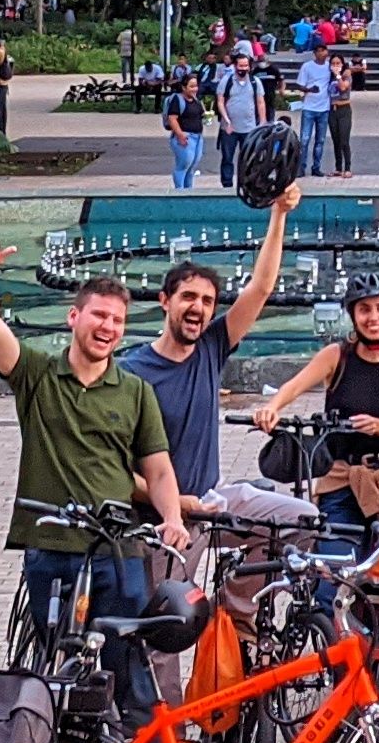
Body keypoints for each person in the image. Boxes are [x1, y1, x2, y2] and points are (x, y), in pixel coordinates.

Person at [0, 240, 190, 720]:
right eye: (99, 316)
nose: (107, 327)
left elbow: (158, 467)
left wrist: (172, 517)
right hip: (50, 543)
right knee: (53, 666)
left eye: (117, 321)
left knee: (125, 670)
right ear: (74, 318)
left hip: (116, 551)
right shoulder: (39, 376)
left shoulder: (134, 391)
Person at [117, 184, 298, 691]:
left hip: (215, 500)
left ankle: (235, 609)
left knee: (300, 522)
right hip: (162, 522)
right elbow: (115, 468)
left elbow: (260, 288)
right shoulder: (133, 373)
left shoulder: (211, 348)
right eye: (188, 298)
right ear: (164, 302)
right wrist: (174, 502)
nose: (198, 308)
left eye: (207, 300)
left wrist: (279, 215)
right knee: (165, 639)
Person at [253, 272, 379, 535]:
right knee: (332, 563)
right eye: (364, 310)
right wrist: (272, 407)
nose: (374, 318)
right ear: (353, 316)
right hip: (341, 479)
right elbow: (295, 385)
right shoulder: (336, 357)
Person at [213, 46, 263, 188]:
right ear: (235, 66)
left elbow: (260, 102)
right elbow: (220, 101)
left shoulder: (255, 82)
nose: (243, 68)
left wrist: (263, 121)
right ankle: (227, 184)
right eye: (240, 65)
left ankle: (246, 183)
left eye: (246, 66)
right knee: (227, 158)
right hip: (229, 128)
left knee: (248, 158)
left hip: (249, 127)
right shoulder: (226, 81)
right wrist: (227, 120)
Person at [295, 38, 338, 179]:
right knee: (305, 139)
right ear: (314, 53)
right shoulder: (307, 67)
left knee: (320, 140)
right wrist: (309, 89)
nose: (321, 53)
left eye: (324, 50)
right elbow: (299, 85)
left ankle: (316, 167)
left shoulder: (329, 67)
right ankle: (301, 167)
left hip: (324, 108)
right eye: (318, 51)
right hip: (309, 107)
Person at [161, 70, 206, 189]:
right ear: (184, 87)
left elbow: (200, 115)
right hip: (185, 137)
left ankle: (188, 190)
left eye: (196, 86)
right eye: (191, 86)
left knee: (191, 166)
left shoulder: (196, 100)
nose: (194, 89)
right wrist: (180, 134)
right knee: (184, 164)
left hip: (197, 136)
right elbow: (172, 119)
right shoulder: (177, 100)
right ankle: (179, 191)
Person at [324, 51, 358, 177]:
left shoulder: (346, 75)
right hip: (332, 110)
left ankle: (347, 167)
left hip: (344, 109)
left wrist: (338, 75)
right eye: (333, 63)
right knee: (336, 140)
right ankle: (338, 167)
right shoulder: (328, 76)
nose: (335, 65)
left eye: (338, 63)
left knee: (344, 139)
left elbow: (343, 87)